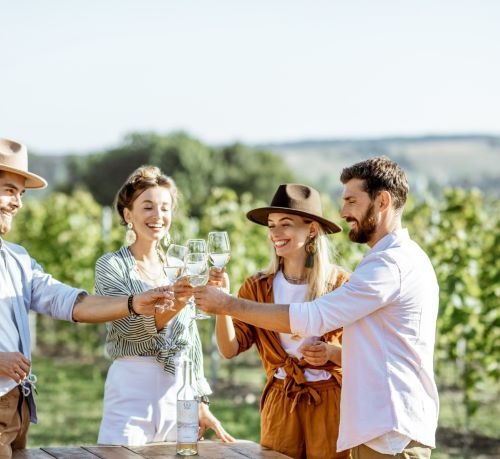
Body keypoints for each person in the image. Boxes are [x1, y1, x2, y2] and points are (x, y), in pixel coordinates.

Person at [194, 157, 439, 459]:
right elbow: (374, 349)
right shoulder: (388, 261)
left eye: (351, 200)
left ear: (382, 201)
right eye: (271, 225)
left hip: (383, 426)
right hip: (363, 423)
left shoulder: (382, 267)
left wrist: (228, 303)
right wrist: (225, 306)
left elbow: (312, 318)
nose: (344, 211)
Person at [0, 138, 171, 458]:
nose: (18, 203)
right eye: (10, 190)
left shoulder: (17, 259)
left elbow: (70, 302)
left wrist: (134, 303)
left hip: (15, 408)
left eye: (21, 194)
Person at [95, 165, 234, 446]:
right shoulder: (111, 266)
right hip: (131, 390)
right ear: (127, 214)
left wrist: (201, 401)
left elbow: (191, 342)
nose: (158, 216)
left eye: (165, 208)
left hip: (178, 394)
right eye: (148, 207)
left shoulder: (181, 268)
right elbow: (129, 328)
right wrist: (179, 302)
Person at [210, 183, 351, 459]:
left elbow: (364, 356)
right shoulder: (257, 287)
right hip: (281, 402)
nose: (275, 233)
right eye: (271, 225)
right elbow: (228, 349)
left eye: (285, 224)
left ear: (311, 229)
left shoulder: (340, 285)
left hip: (330, 403)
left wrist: (331, 353)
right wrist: (222, 302)